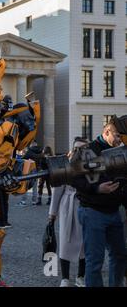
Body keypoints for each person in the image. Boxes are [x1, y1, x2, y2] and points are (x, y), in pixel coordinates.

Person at [72, 120, 127, 287]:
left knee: (119, 256)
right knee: (95, 261)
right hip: (92, 211)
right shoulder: (86, 151)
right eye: (117, 136)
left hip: (113, 211)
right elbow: (73, 178)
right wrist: (97, 188)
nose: (120, 140)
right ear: (107, 132)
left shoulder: (120, 151)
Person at [49, 138, 88, 287]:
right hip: (68, 205)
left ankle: (80, 276)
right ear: (72, 149)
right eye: (77, 148)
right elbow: (57, 190)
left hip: (85, 205)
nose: (80, 152)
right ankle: (65, 278)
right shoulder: (65, 165)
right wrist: (52, 213)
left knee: (84, 244)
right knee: (65, 242)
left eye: (83, 148)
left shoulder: (91, 164)